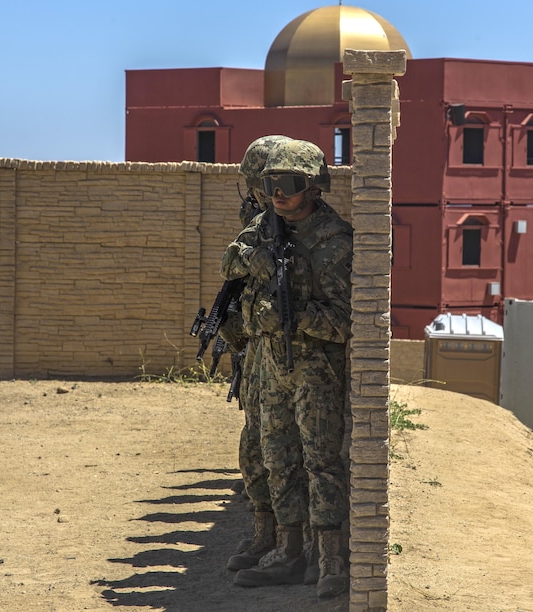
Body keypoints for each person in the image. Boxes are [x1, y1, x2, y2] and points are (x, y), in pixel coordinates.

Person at [221, 139, 353, 599]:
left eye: (290, 184)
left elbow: (346, 322)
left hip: (315, 369)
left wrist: (296, 312)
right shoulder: (265, 227)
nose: (278, 193)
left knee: (322, 462)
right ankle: (288, 547)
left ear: (312, 187)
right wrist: (253, 259)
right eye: (272, 183)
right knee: (277, 458)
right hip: (271, 364)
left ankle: (330, 557)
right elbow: (230, 258)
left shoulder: (333, 242)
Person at [220, 135, 292, 573]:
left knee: (277, 452)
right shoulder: (259, 221)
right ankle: (265, 532)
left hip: (285, 355)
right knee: (253, 449)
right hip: (254, 347)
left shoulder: (291, 224)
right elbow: (232, 267)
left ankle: (285, 540)